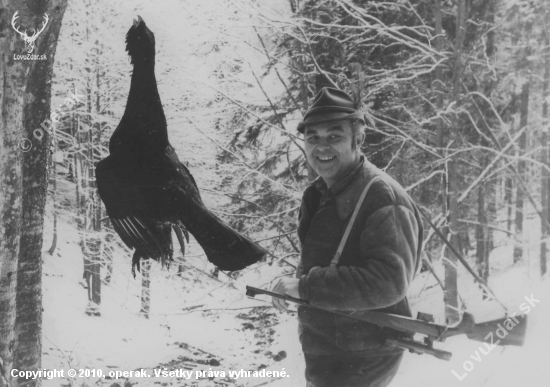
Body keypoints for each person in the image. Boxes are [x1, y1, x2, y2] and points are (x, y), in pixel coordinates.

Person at [271, 87, 424, 387]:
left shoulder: (382, 196)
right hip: (326, 351)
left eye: (334, 136)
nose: (321, 147)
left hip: (364, 358)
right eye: (312, 137)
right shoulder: (316, 195)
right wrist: (299, 287)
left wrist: (305, 287)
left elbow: (389, 281)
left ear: (359, 139)